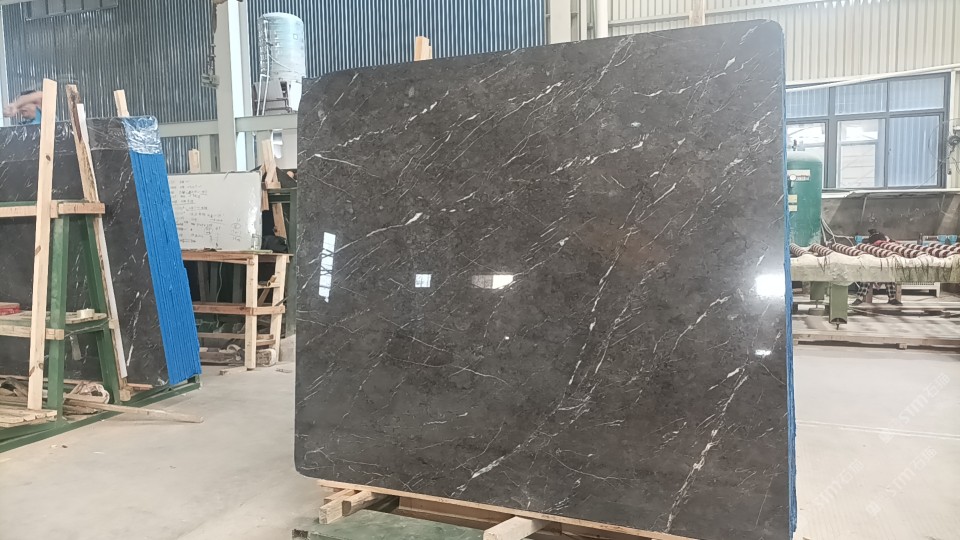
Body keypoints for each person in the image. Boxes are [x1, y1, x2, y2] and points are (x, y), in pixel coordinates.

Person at [852, 229, 902, 306]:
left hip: (885, 268)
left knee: (890, 277)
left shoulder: (888, 246)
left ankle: (892, 298)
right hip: (872, 269)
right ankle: (859, 298)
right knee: (866, 278)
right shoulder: (868, 248)